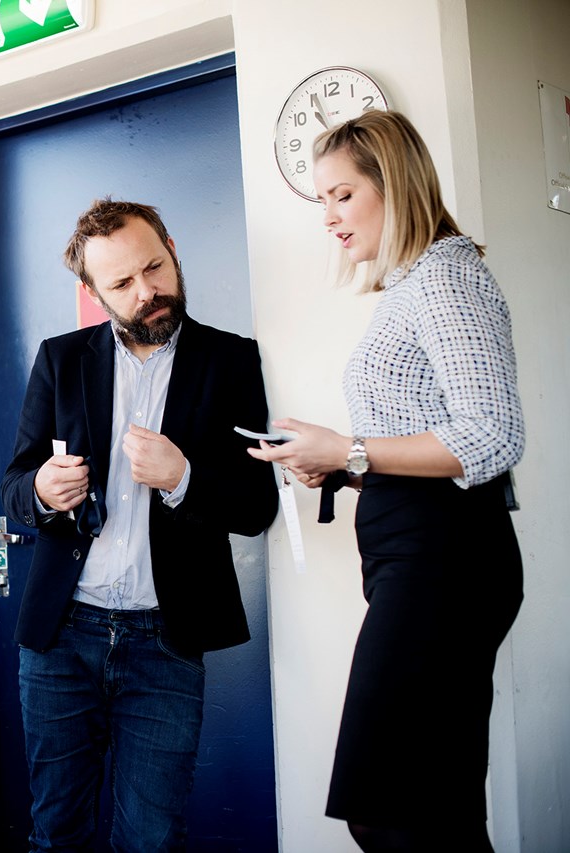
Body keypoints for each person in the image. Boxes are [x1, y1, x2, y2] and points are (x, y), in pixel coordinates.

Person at [248, 110, 524, 852]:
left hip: (447, 562)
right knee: (436, 809)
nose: (330, 218)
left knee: (393, 811)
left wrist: (352, 448)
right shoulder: (415, 284)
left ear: (391, 183)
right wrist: (339, 462)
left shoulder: (446, 275)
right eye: (322, 202)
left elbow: (492, 436)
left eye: (341, 194)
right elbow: (431, 442)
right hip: (425, 555)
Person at [1, 198, 279, 851]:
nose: (147, 291)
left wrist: (185, 476)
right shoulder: (60, 359)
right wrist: (41, 489)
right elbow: (14, 488)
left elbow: (257, 505)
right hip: (61, 636)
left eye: (154, 267)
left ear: (173, 248)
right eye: (122, 283)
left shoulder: (231, 360)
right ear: (93, 293)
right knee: (56, 833)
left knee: (151, 838)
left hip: (167, 640)